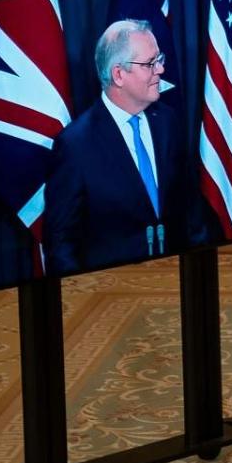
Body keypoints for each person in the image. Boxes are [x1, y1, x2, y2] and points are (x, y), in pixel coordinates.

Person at [45, 20, 189, 275]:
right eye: (150, 63)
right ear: (119, 75)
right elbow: (61, 245)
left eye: (160, 59)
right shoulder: (76, 145)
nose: (162, 69)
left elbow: (191, 211)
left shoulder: (167, 121)